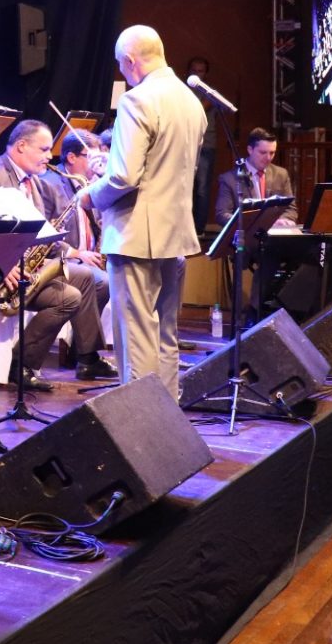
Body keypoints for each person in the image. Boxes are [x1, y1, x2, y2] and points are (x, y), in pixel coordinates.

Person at [80, 25, 206, 400]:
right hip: (174, 231)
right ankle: (166, 415)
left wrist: (91, 196)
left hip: (136, 233)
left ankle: (141, 421)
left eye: (121, 65)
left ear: (131, 60)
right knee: (165, 331)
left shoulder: (137, 100)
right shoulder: (191, 101)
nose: (123, 71)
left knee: (136, 334)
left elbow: (124, 176)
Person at [0, 120, 115, 387]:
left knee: (88, 278)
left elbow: (39, 231)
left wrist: (57, 242)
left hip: (22, 267)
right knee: (69, 297)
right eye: (44, 149)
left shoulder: (34, 182)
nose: (50, 156)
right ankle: (22, 365)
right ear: (21, 146)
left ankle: (86, 357)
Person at [39, 130, 117, 378]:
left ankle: (82, 353)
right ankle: (87, 357)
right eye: (90, 157)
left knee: (107, 281)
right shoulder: (51, 184)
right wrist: (76, 252)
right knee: (100, 281)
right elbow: (43, 232)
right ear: (71, 157)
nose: (96, 163)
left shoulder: (90, 185)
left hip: (86, 257)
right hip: (60, 258)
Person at [214, 127, 297, 321]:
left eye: (272, 153)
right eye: (263, 152)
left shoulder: (281, 174)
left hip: (274, 239)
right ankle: (251, 313)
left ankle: (273, 311)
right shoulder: (230, 178)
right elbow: (221, 214)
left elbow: (291, 208)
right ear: (250, 149)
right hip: (246, 239)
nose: (268, 158)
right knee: (263, 256)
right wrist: (246, 225)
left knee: (302, 254)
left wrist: (286, 219)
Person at [188, 56, 219, 233]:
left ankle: (198, 229)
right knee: (185, 187)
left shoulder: (210, 92)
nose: (197, 74)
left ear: (205, 73)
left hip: (205, 144)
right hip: (185, 145)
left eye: (200, 71)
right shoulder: (182, 91)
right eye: (194, 70)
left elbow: (198, 109)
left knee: (201, 188)